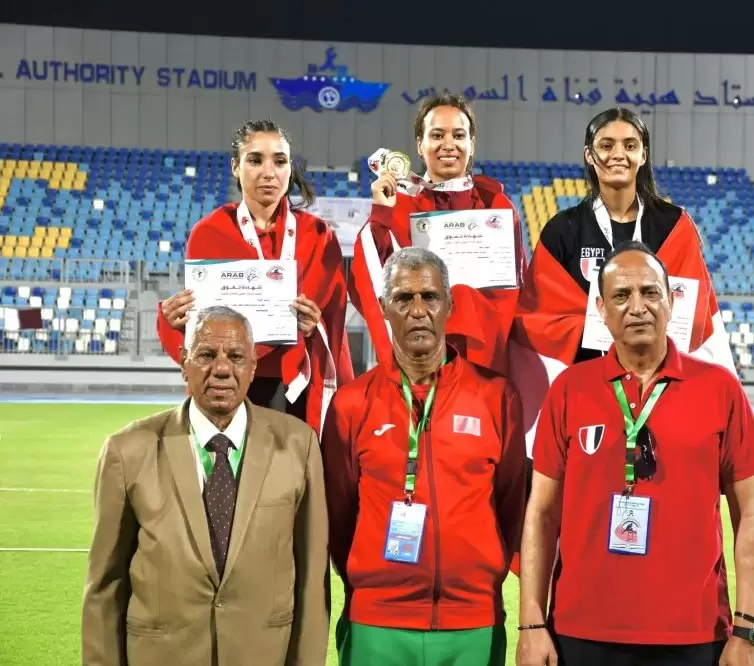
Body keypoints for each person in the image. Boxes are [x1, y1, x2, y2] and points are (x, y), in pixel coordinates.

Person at [516, 242, 754, 666]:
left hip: (694, 634)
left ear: (671, 302)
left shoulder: (720, 389)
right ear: (600, 308)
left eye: (650, 293)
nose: (638, 307)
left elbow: (753, 515)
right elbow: (541, 514)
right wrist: (531, 624)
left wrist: (747, 630)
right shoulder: (569, 390)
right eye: (621, 296)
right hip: (581, 633)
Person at [82, 306, 330, 665]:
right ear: (184, 362)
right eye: (206, 355)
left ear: (253, 367)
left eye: (235, 356)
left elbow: (311, 580)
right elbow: (104, 588)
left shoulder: (298, 445)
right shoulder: (127, 451)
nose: (222, 369)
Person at [324, 247, 527, 666]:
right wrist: (374, 578)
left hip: (471, 623)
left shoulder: (496, 396)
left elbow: (511, 504)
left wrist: (478, 569)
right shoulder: (351, 403)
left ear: (449, 305)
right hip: (377, 624)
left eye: (430, 297)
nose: (418, 310)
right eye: (403, 298)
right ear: (383, 308)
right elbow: (338, 515)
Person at [508, 107, 735, 461]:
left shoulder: (674, 226)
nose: (618, 155)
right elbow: (538, 321)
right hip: (587, 396)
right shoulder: (562, 231)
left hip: (661, 394)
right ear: (589, 154)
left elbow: (691, 316)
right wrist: (610, 325)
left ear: (643, 154)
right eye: (607, 145)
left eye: (630, 145)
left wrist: (607, 321)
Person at [157, 119, 354, 438]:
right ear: (235, 166)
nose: (268, 172)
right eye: (255, 160)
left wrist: (312, 325)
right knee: (226, 483)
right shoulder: (209, 232)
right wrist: (174, 320)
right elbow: (201, 325)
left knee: (287, 485)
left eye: (279, 161)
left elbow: (332, 324)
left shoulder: (318, 236)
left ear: (290, 168)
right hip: (225, 383)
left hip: (295, 389)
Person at [349, 93, 528, 375]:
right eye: (437, 135)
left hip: (486, 358)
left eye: (459, 135)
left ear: (472, 144)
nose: (449, 145)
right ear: (420, 145)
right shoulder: (400, 207)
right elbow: (374, 277)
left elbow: (516, 289)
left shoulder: (496, 206)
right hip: (421, 359)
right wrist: (381, 214)